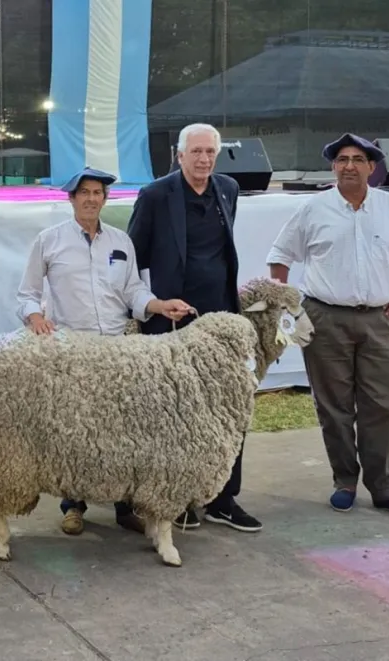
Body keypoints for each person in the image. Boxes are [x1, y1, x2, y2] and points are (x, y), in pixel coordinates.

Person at [15, 166, 196, 536]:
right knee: (75, 430)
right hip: (73, 350)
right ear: (71, 198)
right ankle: (73, 505)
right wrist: (35, 317)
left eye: (97, 193)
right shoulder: (49, 241)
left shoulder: (120, 242)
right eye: (84, 192)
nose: (91, 199)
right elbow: (27, 293)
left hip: (117, 350)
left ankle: (124, 506)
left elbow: (133, 292)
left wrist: (159, 306)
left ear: (105, 198)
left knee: (121, 429)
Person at [265, 133, 389, 519]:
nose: (349, 166)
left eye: (358, 159)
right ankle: (344, 482)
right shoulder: (313, 209)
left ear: (372, 167)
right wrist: (286, 306)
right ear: (333, 167)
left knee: (382, 405)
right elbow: (280, 256)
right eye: (342, 159)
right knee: (334, 407)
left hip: (378, 319)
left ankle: (384, 488)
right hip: (324, 317)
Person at [126, 123, 263, 533]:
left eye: (210, 152)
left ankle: (222, 497)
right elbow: (134, 259)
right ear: (179, 155)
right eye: (196, 152)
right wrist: (153, 305)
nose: (204, 159)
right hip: (171, 323)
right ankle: (178, 498)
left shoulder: (228, 189)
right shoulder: (155, 195)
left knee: (228, 409)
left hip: (222, 323)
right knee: (174, 413)